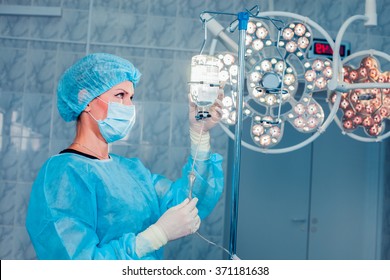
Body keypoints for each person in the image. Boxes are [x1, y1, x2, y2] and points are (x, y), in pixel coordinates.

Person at [25, 53, 224, 260]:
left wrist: (199, 133)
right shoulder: (64, 175)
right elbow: (73, 264)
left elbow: (188, 202)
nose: (129, 106)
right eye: (120, 95)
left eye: (131, 97)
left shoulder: (132, 172)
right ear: (85, 99)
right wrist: (156, 236)